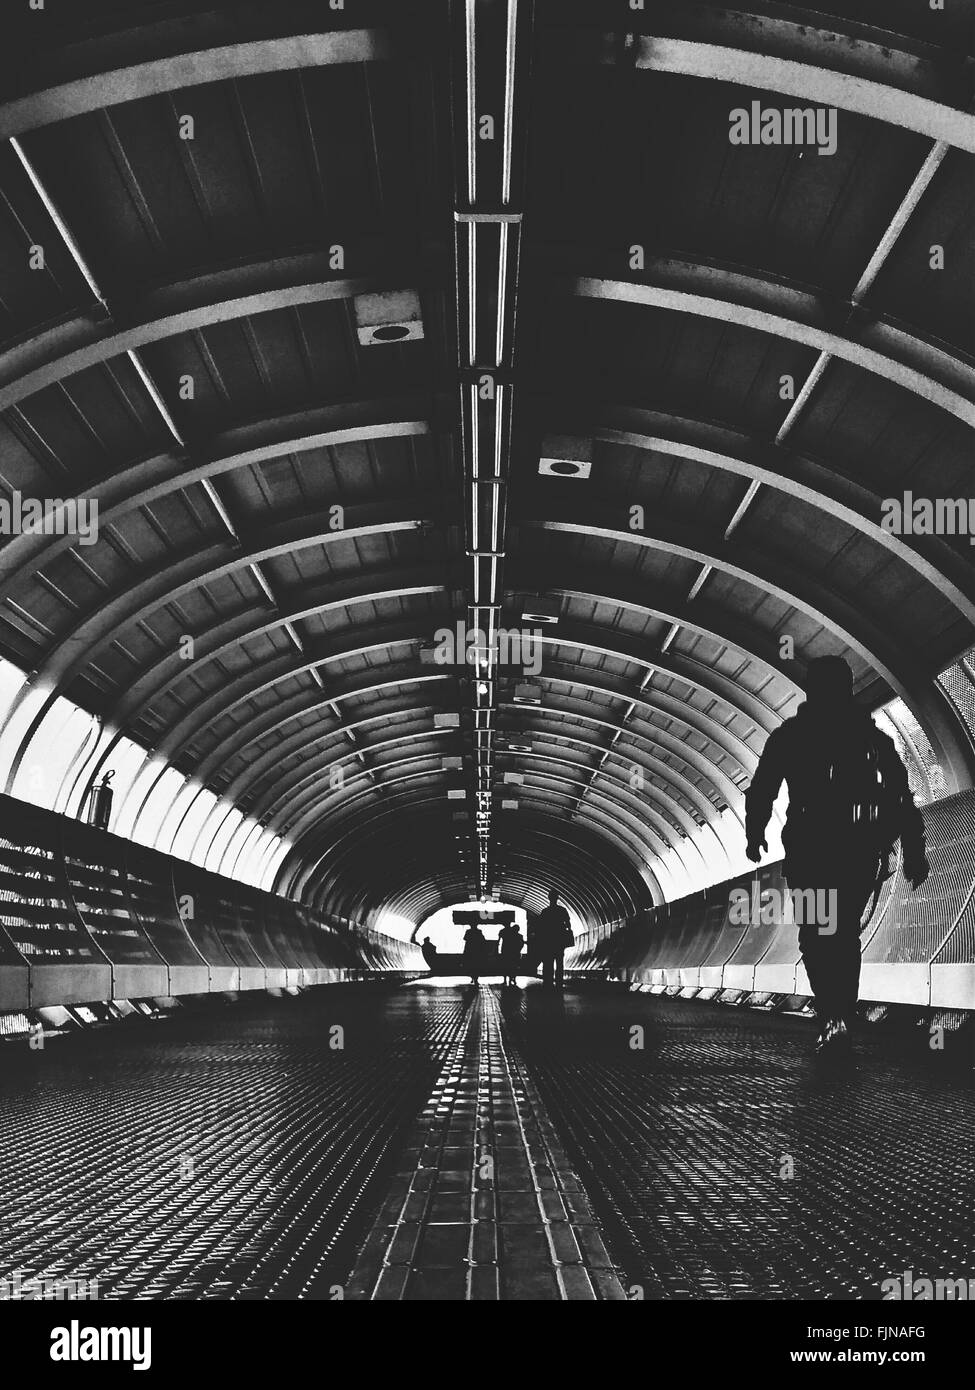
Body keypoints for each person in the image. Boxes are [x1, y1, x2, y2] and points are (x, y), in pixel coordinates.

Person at [744, 655, 929, 1053]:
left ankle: (833, 1015)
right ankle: (840, 1015)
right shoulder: (871, 737)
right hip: (858, 850)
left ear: (811, 689)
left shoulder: (790, 736)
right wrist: (913, 848)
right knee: (842, 934)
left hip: (810, 851)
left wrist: (755, 833)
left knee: (817, 935)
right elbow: (900, 793)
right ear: (847, 689)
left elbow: (763, 788)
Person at [534, 890, 574, 989]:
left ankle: (548, 982)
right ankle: (559, 982)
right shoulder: (562, 910)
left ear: (549, 898)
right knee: (560, 962)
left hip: (548, 941)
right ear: (557, 898)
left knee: (548, 962)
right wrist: (568, 931)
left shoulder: (545, 911)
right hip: (559, 940)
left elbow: (541, 927)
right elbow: (568, 924)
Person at [498, 921, 524, 987]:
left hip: (506, 951)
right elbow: (521, 944)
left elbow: (500, 941)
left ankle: (505, 979)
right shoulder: (519, 936)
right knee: (514, 966)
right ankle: (513, 978)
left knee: (505, 966)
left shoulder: (505, 933)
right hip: (515, 953)